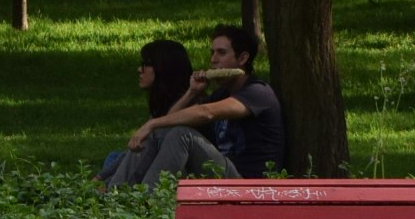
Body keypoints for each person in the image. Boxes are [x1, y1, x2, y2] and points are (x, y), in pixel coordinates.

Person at [101, 26, 284, 184]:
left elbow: (207, 112)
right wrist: (192, 92)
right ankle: (114, 196)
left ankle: (145, 200)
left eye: (221, 53)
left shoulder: (258, 92)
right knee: (162, 131)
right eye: (212, 53)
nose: (213, 60)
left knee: (182, 135)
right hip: (220, 171)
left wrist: (151, 123)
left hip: (247, 183)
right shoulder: (221, 94)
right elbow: (167, 125)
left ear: (242, 58)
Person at [98, 39, 195, 187]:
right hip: (153, 162)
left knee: (135, 150)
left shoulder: (192, 104)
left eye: (146, 65)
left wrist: (104, 181)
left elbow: (152, 145)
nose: (139, 70)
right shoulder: (165, 103)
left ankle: (112, 191)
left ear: (163, 68)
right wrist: (99, 177)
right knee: (115, 157)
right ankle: (106, 186)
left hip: (179, 170)